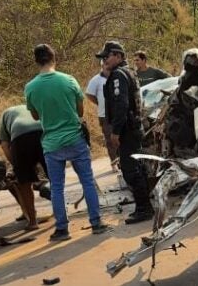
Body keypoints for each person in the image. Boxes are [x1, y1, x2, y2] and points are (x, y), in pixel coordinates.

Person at [24, 44, 109, 241]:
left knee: (57, 187)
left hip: (51, 144)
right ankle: (96, 222)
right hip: (75, 139)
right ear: (54, 59)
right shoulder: (68, 80)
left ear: (36, 61)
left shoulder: (31, 87)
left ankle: (62, 229)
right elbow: (79, 112)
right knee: (87, 181)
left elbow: (36, 116)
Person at [98, 41, 154, 224]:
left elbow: (121, 104)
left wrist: (115, 132)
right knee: (137, 168)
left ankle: (144, 209)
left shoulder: (118, 75)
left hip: (127, 130)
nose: (104, 60)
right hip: (133, 127)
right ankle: (145, 206)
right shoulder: (128, 72)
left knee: (131, 170)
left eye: (107, 56)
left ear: (118, 56)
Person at [0, 105, 48, 231]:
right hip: (43, 131)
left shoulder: (4, 115)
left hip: (20, 138)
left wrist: (17, 166)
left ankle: (33, 221)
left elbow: (4, 145)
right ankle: (62, 214)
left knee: (24, 182)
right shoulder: (31, 107)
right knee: (54, 176)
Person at [86, 56, 118, 169]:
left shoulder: (117, 76)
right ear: (102, 65)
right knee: (109, 139)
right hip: (104, 115)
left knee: (120, 137)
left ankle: (123, 161)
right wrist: (99, 103)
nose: (107, 65)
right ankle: (114, 162)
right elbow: (89, 94)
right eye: (104, 63)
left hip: (118, 113)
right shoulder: (96, 80)